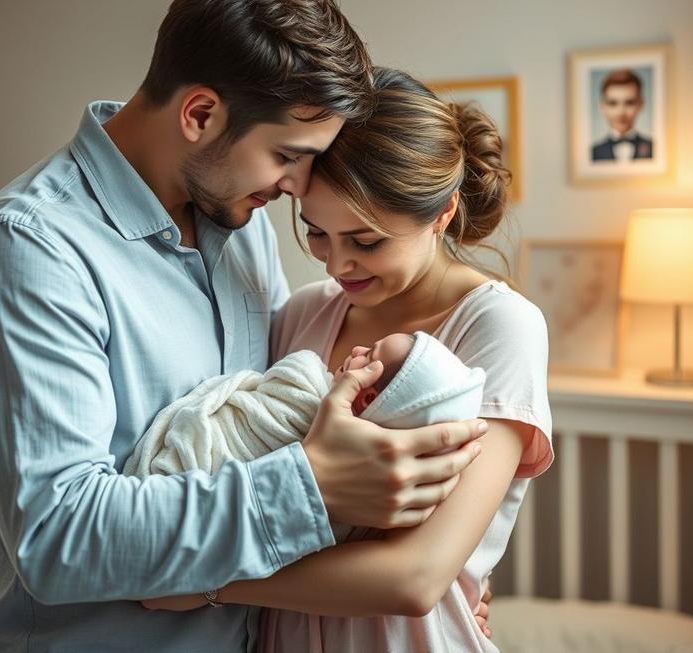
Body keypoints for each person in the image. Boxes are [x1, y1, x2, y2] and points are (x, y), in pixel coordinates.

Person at [0, 2, 487, 651]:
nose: (298, 185)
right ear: (199, 114)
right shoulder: (29, 251)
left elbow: (267, 422)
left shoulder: (241, 227)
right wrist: (311, 486)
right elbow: (59, 538)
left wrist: (444, 573)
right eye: (287, 154)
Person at [143, 67, 554, 653]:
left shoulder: (498, 325)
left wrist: (206, 582)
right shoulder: (304, 313)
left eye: (366, 242)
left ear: (443, 212)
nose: (336, 266)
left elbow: (415, 578)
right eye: (317, 234)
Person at [124, 332, 486, 486]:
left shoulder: (307, 380)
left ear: (366, 398)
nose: (357, 350)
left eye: (369, 356)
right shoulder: (365, 481)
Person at [591, 68, 653, 162]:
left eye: (629, 103)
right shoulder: (593, 152)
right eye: (612, 103)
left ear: (641, 104)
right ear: (602, 106)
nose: (621, 112)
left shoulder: (655, 148)